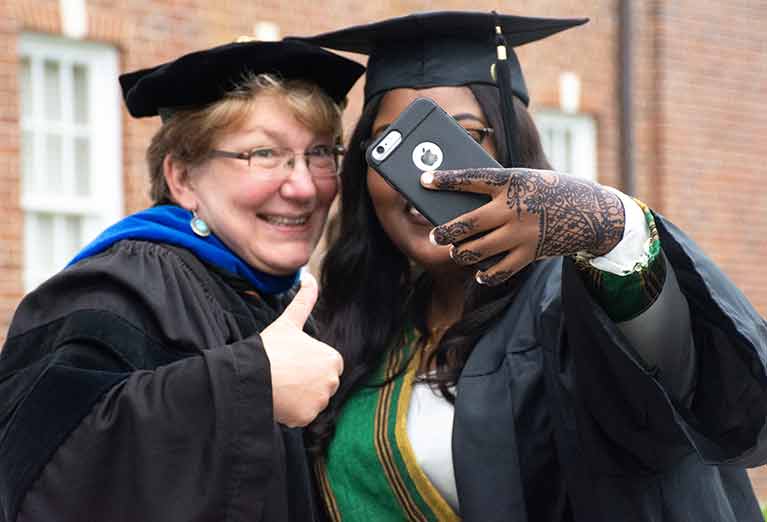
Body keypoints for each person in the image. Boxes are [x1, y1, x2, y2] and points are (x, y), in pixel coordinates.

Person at [292, 11, 767, 522]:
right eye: (392, 148)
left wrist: (612, 226)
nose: (426, 178)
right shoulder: (362, 328)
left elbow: (688, 386)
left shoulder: (571, 302)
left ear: (515, 151)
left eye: (467, 135)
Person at [0, 39, 363, 521]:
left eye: (319, 153)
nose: (303, 187)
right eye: (265, 154)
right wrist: (252, 383)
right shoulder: (117, 290)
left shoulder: (289, 300)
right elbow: (46, 477)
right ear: (183, 178)